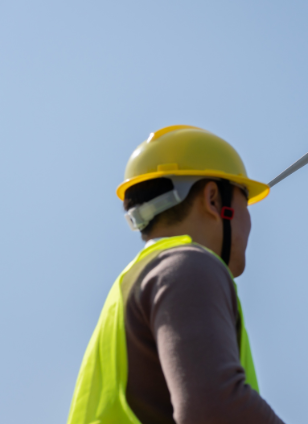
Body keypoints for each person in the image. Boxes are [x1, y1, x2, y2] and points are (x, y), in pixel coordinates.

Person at [67, 125, 285, 424]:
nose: (249, 220)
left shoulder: (134, 282)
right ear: (213, 199)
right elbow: (215, 409)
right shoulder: (186, 267)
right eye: (244, 200)